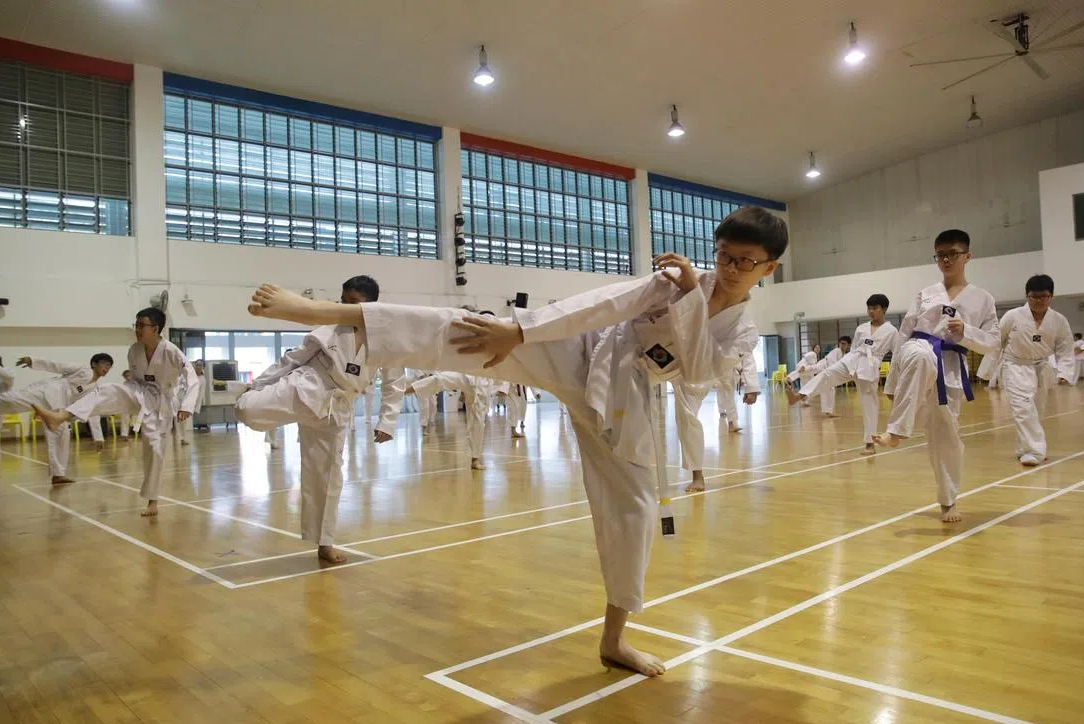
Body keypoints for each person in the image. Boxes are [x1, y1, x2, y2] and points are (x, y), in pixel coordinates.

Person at [243, 205, 787, 678]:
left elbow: (693, 374)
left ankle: (614, 638)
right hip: (584, 349)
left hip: (632, 397)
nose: (730, 268)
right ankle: (321, 312)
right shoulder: (673, 279)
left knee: (637, 512)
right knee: (466, 327)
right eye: (724, 255)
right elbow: (598, 306)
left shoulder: (740, 329)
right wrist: (519, 330)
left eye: (745, 261)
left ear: (769, 267)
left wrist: (694, 298)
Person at [233, 275, 406, 565]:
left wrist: (387, 422)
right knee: (246, 410)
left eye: (354, 303)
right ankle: (265, 406)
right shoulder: (330, 327)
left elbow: (395, 382)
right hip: (308, 385)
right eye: (344, 301)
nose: (346, 307)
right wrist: (260, 384)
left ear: (372, 305)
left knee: (327, 478)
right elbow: (293, 359)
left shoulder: (387, 340)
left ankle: (324, 543)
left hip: (337, 408)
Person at [872, 229, 999, 522]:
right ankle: (898, 430)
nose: (945, 259)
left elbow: (993, 342)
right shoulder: (926, 293)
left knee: (946, 437)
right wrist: (892, 381)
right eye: (940, 254)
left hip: (951, 367)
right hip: (918, 349)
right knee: (920, 354)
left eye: (952, 254)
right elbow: (904, 333)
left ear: (967, 256)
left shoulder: (983, 299)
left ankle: (948, 500)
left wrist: (966, 332)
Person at [34, 308, 200, 517]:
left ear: (155, 328)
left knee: (156, 450)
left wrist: (187, 405)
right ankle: (62, 416)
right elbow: (138, 378)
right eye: (136, 325)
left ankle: (153, 501)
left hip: (162, 402)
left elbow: (190, 376)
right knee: (106, 390)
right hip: (138, 390)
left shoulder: (171, 351)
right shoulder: (134, 350)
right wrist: (131, 388)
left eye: (142, 325)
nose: (137, 329)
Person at [0, 353, 114, 484]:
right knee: (8, 400)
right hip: (42, 394)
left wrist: (98, 436)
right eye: (104, 364)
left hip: (57, 409)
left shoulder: (95, 388)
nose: (106, 368)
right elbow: (57, 365)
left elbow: (90, 409)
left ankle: (58, 474)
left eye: (109, 366)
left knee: (62, 436)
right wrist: (33, 361)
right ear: (94, 364)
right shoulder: (83, 370)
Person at [787, 295, 899, 454]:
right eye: (869, 308)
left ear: (884, 309)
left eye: (875, 308)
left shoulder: (892, 331)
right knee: (827, 373)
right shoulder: (861, 328)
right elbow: (854, 349)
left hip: (870, 365)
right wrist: (849, 359)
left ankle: (869, 443)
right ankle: (800, 395)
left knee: (869, 405)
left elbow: (897, 356)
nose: (871, 311)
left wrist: (893, 383)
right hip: (852, 360)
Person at [982, 275, 1075, 466]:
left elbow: (1065, 347)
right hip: (1015, 366)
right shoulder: (1013, 316)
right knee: (1023, 409)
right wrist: (986, 371)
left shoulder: (1058, 320)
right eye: (1034, 297)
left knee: (1035, 411)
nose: (1039, 301)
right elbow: (995, 342)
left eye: (1044, 297)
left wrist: (1065, 372)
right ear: (1027, 296)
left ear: (1051, 297)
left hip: (1042, 367)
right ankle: (1035, 451)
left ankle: (1023, 449)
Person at [673, 313, 758, 492]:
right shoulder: (687, 302)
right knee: (686, 417)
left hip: (722, 362)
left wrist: (751, 386)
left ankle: (732, 422)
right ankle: (697, 474)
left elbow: (747, 348)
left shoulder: (737, 311)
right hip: (692, 365)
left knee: (727, 393)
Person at [410, 371, 494, 469]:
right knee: (440, 379)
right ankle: (408, 389)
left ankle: (475, 459)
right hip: (467, 373)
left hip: (483, 380)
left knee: (478, 421)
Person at [175, 360, 206, 446]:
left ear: (203, 367)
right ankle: (175, 438)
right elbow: (178, 382)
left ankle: (182, 438)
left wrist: (196, 407)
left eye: (200, 365)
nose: (198, 366)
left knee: (182, 419)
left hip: (188, 401)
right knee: (174, 418)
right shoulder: (187, 373)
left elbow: (200, 394)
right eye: (196, 365)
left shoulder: (202, 380)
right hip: (178, 396)